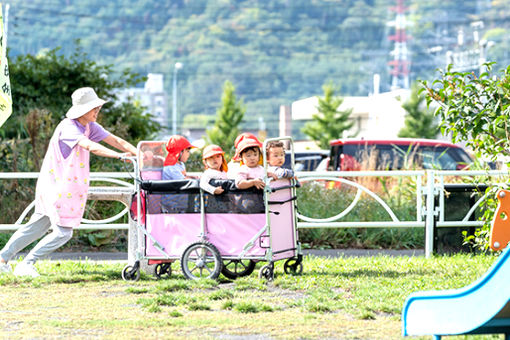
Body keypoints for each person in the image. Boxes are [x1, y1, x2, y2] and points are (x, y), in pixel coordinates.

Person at [0, 87, 137, 277]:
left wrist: (140, 155)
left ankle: (2, 259)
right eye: (93, 108)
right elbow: (91, 146)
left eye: (98, 107)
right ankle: (27, 263)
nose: (97, 110)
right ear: (82, 110)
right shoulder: (68, 127)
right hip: (56, 187)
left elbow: (116, 141)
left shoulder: (90, 126)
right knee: (64, 233)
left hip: (60, 186)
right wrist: (120, 157)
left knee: (36, 226)